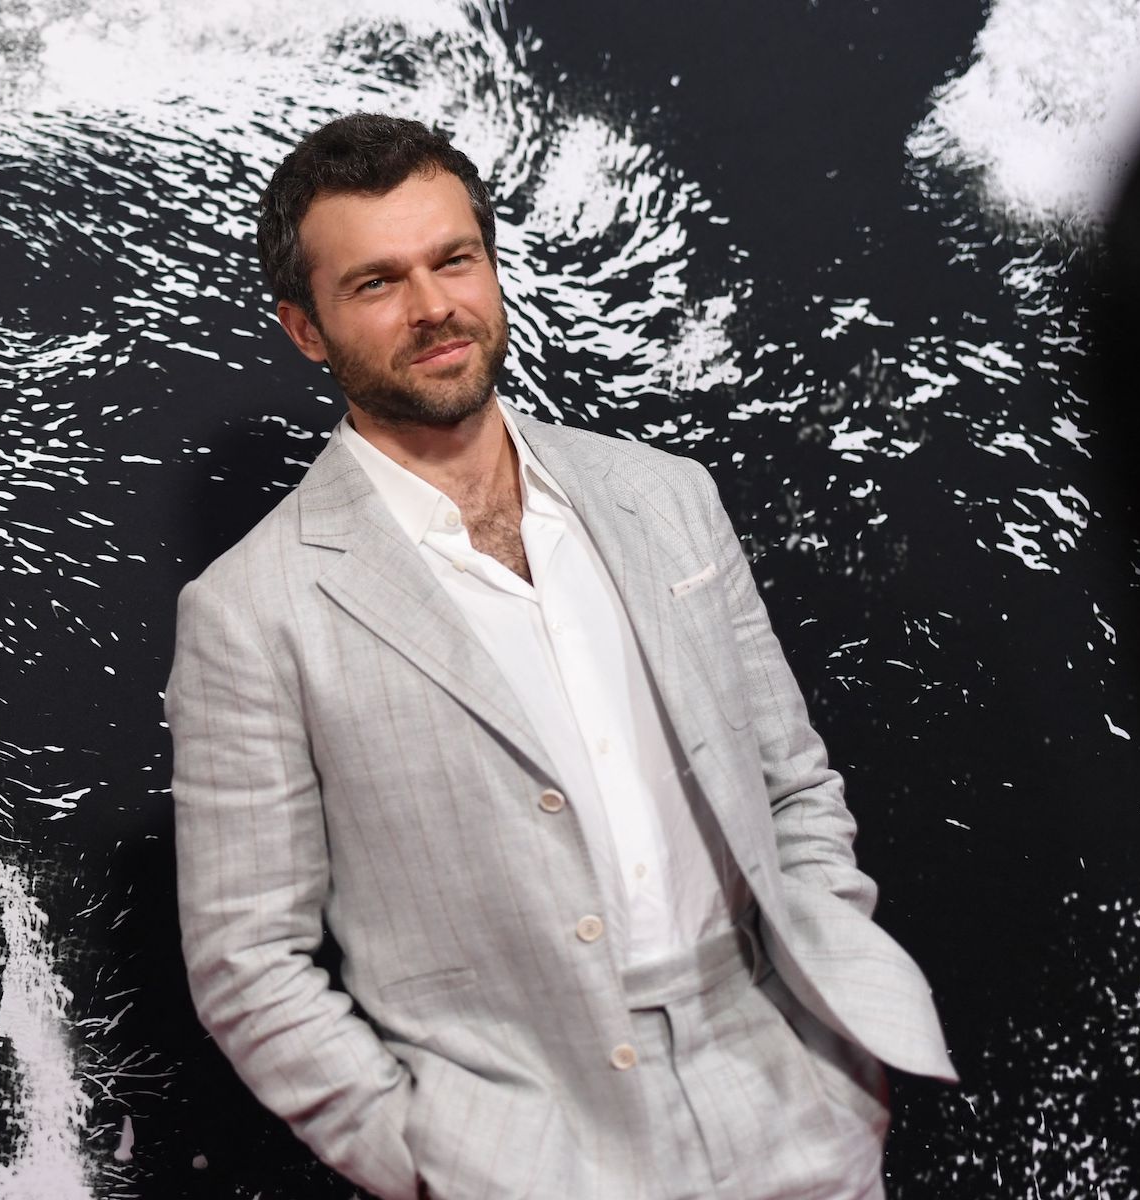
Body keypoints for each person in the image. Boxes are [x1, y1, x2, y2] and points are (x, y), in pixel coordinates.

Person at [166, 112, 955, 1200]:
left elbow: (793, 781)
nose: (436, 307)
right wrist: (433, 1162)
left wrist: (831, 1032)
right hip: (527, 1143)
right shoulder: (251, 609)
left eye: (456, 259)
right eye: (378, 283)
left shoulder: (666, 496)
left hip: (787, 1086)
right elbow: (248, 965)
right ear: (307, 329)